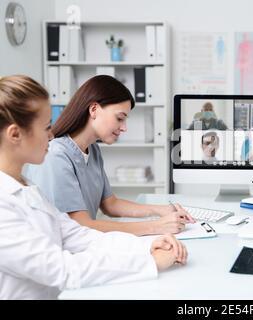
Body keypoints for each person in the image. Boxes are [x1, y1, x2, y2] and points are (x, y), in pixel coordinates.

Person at [0, 75, 188, 299]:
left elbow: (80, 235)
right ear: (15, 134)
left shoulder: (29, 189)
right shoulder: (4, 204)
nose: (51, 134)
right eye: (46, 127)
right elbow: (64, 270)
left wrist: (147, 246)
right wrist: (149, 261)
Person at [26, 75, 195, 236]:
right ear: (94, 109)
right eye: (120, 118)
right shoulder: (56, 155)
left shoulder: (93, 150)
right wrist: (156, 226)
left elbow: (110, 204)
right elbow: (80, 225)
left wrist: (161, 210)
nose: (124, 128)